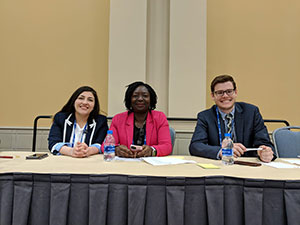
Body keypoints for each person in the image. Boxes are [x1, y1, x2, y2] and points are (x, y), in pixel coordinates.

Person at [189, 75, 275, 162]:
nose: (225, 96)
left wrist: (263, 151)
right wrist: (221, 152)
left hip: (248, 165)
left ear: (236, 92)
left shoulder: (251, 112)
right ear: (212, 96)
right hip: (219, 166)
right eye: (219, 92)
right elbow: (195, 146)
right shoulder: (205, 116)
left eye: (229, 91)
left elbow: (265, 143)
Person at [106, 81, 172, 158]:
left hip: (151, 166)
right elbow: (105, 145)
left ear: (151, 99)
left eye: (145, 95)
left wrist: (152, 150)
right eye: (135, 96)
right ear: (129, 99)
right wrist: (116, 149)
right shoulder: (118, 119)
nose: (140, 99)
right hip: (125, 165)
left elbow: (167, 146)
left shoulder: (159, 117)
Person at [48, 86, 108, 157]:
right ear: (73, 101)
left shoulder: (101, 121)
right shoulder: (60, 118)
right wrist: (71, 151)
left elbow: (101, 144)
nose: (85, 102)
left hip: (89, 163)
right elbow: (53, 143)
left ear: (94, 105)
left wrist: (88, 151)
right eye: (81, 98)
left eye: (90, 100)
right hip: (65, 161)